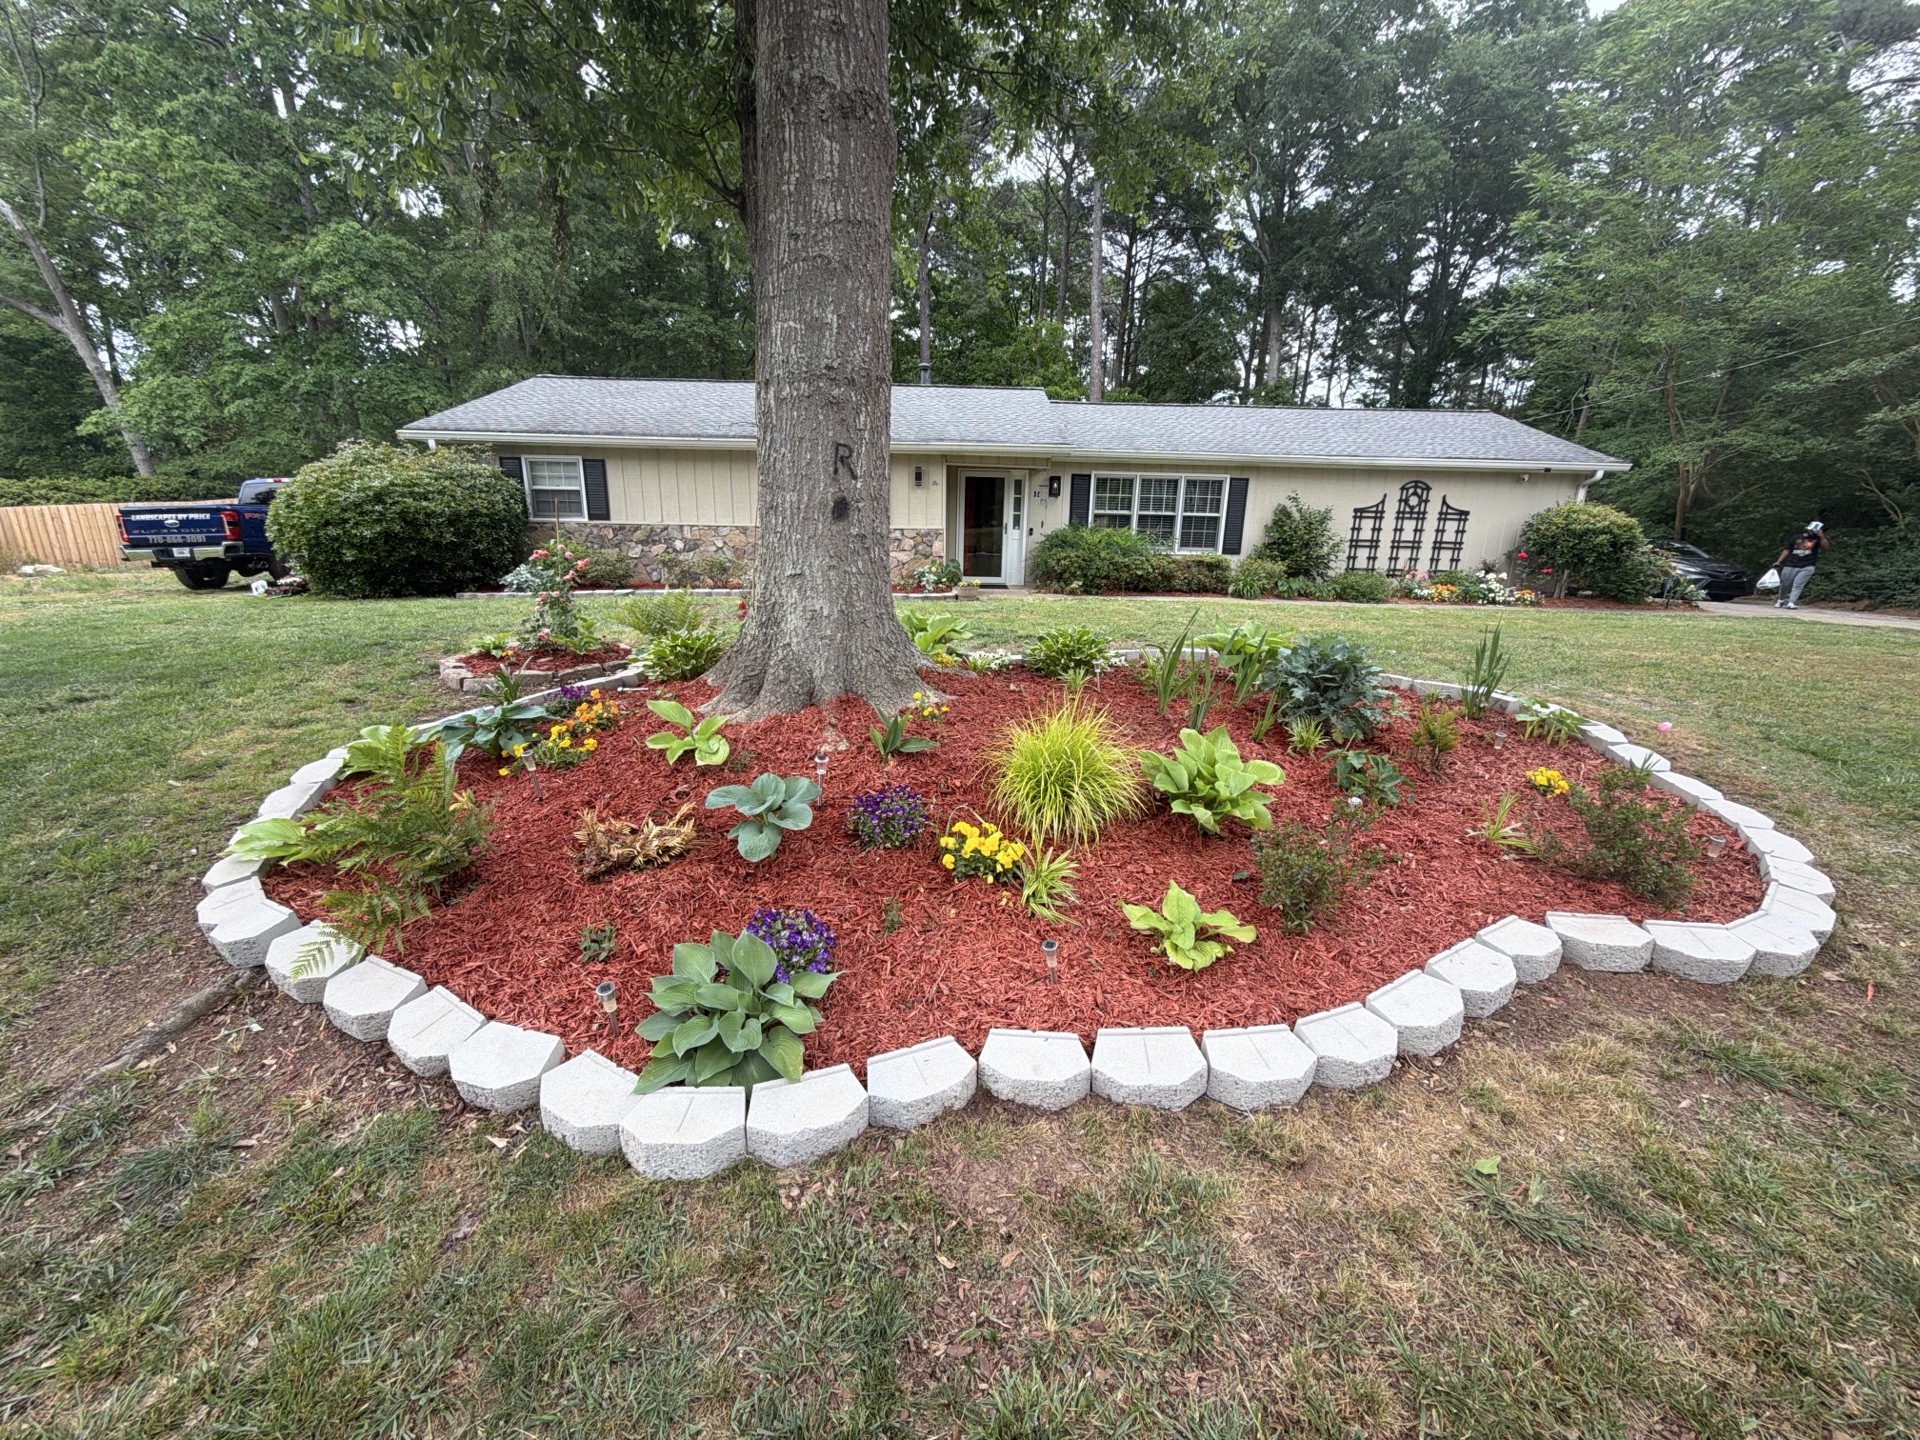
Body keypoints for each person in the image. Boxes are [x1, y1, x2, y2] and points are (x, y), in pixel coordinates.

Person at [1773, 521, 1828, 609]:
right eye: (1812, 530)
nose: (1813, 532)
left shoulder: (1817, 539)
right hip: (1791, 564)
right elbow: (1787, 550)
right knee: (1785, 583)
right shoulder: (1796, 537)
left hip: (1808, 566)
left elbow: (1825, 547)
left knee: (1798, 584)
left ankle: (1792, 602)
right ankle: (1781, 600)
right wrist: (1778, 561)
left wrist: (1822, 536)